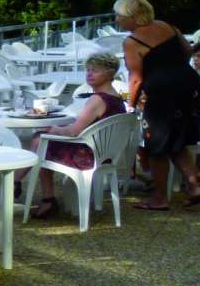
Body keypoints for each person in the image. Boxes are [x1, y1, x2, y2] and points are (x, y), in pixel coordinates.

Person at [117, 0, 200, 207]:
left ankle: (159, 198)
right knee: (177, 139)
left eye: (119, 15)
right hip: (189, 84)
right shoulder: (167, 27)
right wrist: (172, 68)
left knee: (156, 145)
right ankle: (194, 185)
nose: (116, 20)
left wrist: (130, 104)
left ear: (133, 17)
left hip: (162, 93)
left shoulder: (132, 41)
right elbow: (187, 50)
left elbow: (136, 78)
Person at [23, 51, 129, 218]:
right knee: (42, 141)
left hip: (87, 155)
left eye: (95, 70)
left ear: (109, 74)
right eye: (88, 70)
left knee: (39, 140)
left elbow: (74, 132)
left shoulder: (97, 100)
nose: (89, 74)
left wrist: (52, 129)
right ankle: (45, 198)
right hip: (104, 153)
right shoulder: (116, 97)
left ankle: (29, 189)